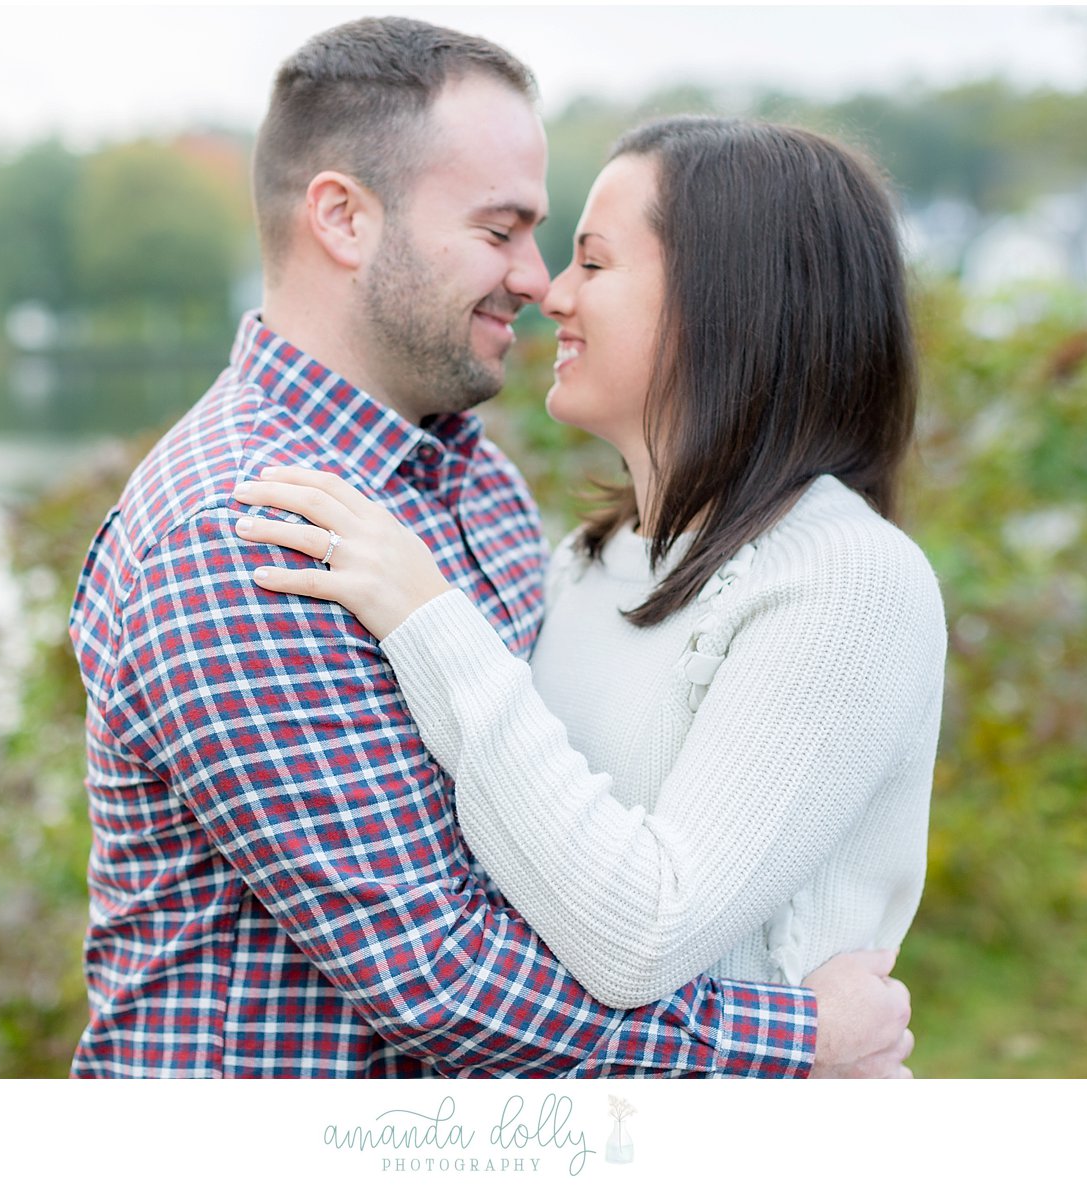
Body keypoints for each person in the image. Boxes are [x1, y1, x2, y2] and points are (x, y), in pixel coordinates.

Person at [69, 15, 911, 1077]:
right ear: (342, 218)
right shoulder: (248, 529)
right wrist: (796, 1043)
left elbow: (559, 846)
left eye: (554, 242)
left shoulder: (477, 486)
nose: (536, 279)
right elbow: (440, 976)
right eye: (499, 228)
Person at [234, 116, 946, 1010]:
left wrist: (427, 617)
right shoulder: (591, 559)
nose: (550, 293)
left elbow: (643, 939)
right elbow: (519, 858)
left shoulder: (846, 580)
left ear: (728, 299)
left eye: (594, 264)